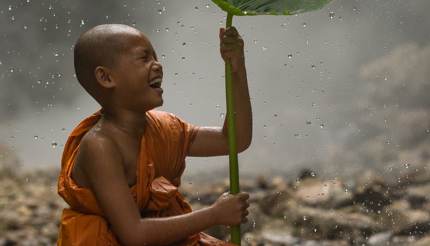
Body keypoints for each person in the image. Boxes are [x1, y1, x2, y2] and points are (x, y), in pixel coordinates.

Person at [57, 23, 252, 245]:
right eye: (144, 58)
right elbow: (134, 235)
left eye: (156, 57)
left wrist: (237, 70)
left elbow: (234, 140)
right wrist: (214, 215)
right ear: (106, 77)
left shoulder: (163, 127)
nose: (157, 65)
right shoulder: (100, 146)